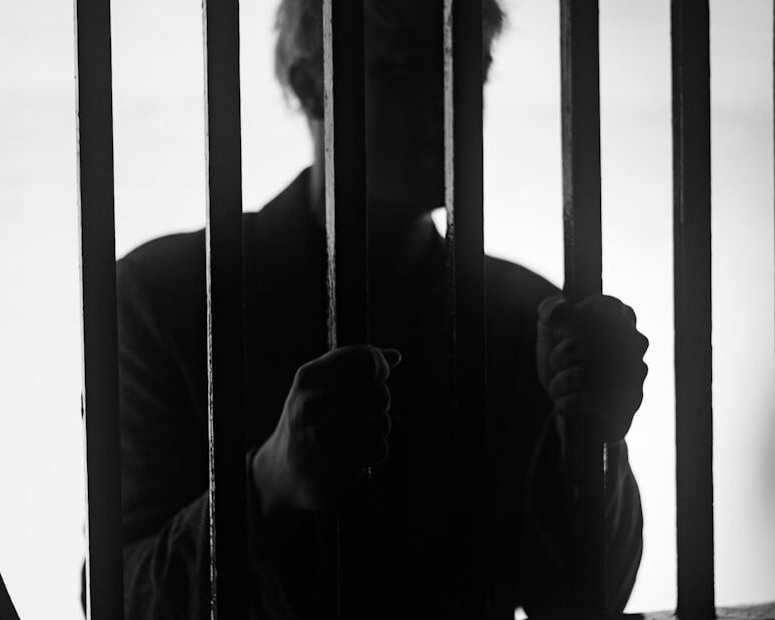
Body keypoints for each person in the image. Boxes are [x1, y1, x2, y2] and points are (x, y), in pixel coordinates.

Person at [115, 0, 648, 618]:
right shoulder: (164, 299)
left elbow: (587, 600)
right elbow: (123, 594)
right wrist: (267, 484)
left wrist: (590, 439)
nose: (447, 102)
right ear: (310, 85)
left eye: (467, 69)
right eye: (404, 70)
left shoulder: (525, 315)